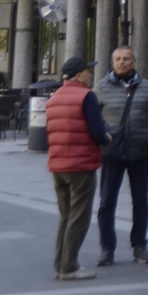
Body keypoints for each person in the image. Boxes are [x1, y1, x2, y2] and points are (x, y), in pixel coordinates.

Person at [94, 46, 148, 266]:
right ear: (112, 62)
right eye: (118, 59)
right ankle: (107, 248)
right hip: (112, 152)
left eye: (126, 59)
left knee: (141, 200)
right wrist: (103, 135)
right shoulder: (101, 87)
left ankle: (139, 245)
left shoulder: (146, 86)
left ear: (134, 61)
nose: (121, 62)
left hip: (141, 152)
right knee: (106, 202)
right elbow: (93, 118)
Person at [46, 55, 108, 282]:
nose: (91, 74)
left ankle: (60, 265)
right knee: (79, 217)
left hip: (58, 165)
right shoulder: (86, 96)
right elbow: (97, 130)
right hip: (81, 164)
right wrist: (107, 137)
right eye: (88, 71)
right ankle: (70, 265)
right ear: (79, 75)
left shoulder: (54, 98)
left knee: (66, 216)